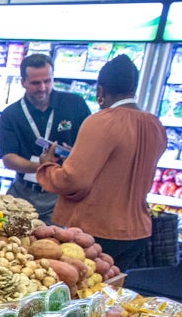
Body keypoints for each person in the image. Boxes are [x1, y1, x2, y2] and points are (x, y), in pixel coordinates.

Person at [37, 55, 166, 271]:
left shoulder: (101, 121)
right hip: (138, 230)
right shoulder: (155, 125)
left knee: (82, 292)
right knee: (111, 292)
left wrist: (47, 166)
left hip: (97, 230)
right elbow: (121, 168)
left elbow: (73, 181)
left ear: (100, 92)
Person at [0, 54, 90, 225]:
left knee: (54, 247)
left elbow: (91, 146)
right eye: (35, 83)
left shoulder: (74, 104)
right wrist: (41, 167)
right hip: (23, 194)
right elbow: (8, 158)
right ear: (23, 82)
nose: (42, 87)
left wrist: (78, 155)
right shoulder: (11, 114)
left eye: (47, 81)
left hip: (62, 195)